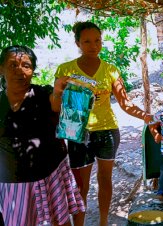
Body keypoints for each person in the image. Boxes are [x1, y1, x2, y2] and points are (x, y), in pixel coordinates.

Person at [54, 21, 151, 226]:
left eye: (97, 40)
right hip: (77, 132)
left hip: (107, 131)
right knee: (81, 185)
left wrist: (145, 116)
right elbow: (57, 103)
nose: (93, 45)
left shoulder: (110, 70)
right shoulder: (65, 70)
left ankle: (103, 222)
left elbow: (125, 103)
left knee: (105, 180)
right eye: (87, 41)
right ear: (78, 43)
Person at [0, 45, 85, 226]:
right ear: (1, 69)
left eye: (26, 65)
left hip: (50, 175)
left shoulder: (41, 94)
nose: (20, 71)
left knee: (60, 222)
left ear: (33, 71)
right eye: (13, 65)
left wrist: (59, 92)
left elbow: (55, 103)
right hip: (14, 184)